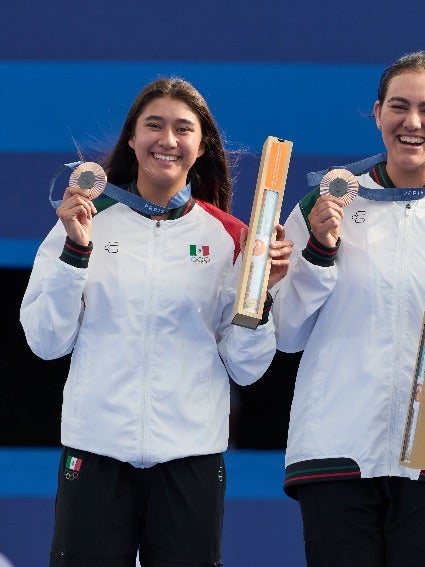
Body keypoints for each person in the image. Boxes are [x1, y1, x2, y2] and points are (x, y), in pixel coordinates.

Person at [20, 77, 292, 566]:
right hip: (96, 451)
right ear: (131, 138)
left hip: (190, 458)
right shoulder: (84, 221)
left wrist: (261, 297)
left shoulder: (230, 237)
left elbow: (247, 368)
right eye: (154, 126)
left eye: (182, 129)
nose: (167, 140)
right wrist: (76, 251)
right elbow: (45, 341)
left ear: (201, 145)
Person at [270, 51, 425, 566]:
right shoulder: (325, 206)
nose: (413, 123)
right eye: (399, 107)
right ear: (378, 113)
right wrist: (320, 251)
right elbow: (286, 331)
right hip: (337, 449)